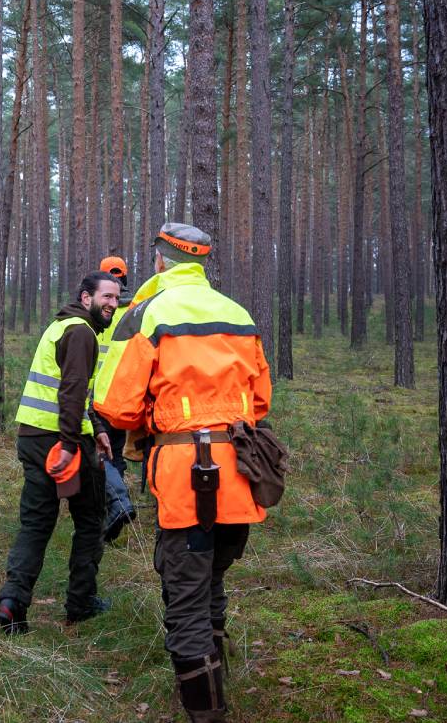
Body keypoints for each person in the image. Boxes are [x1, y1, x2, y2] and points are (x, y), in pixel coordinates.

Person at [93, 223, 271, 723]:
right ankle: (216, 688)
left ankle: (206, 713)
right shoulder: (238, 313)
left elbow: (115, 405)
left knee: (186, 599)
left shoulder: (146, 313)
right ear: (201, 262)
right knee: (211, 582)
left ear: (159, 261)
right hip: (239, 476)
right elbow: (260, 402)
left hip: (183, 480)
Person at [0, 271, 122, 634]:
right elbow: (72, 391)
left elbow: (76, 393)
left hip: (34, 437)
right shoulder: (81, 332)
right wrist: (68, 444)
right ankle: (81, 603)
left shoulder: (61, 326)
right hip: (64, 443)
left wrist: (98, 429)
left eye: (116, 298)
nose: (113, 304)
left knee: (36, 523)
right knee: (91, 521)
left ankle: (11, 603)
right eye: (106, 296)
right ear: (86, 298)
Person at [96, 254, 137, 543]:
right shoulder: (135, 313)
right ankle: (115, 504)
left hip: (97, 396)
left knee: (98, 452)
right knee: (117, 452)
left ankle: (115, 504)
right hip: (124, 398)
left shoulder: (97, 312)